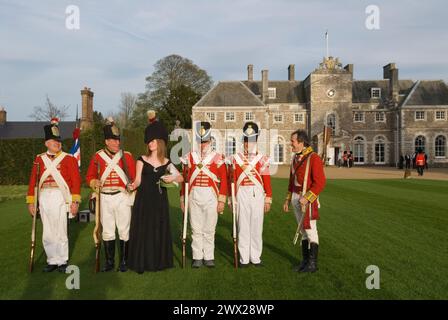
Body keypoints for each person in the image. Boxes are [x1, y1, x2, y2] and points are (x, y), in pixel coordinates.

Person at [127, 114, 183, 273]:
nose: (150, 144)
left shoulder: (167, 162)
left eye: (153, 141)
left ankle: (159, 262)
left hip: (159, 201)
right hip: (143, 200)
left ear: (160, 142)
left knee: (158, 230)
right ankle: (142, 262)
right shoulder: (141, 159)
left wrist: (172, 176)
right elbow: (137, 180)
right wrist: (132, 186)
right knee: (144, 230)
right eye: (149, 141)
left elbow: (180, 177)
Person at [26, 118, 81, 272]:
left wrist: (75, 201)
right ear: (46, 143)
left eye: (58, 141)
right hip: (44, 197)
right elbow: (33, 181)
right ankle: (52, 260)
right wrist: (31, 202)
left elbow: (76, 181)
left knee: (61, 230)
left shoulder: (69, 159)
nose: (57, 143)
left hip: (60, 196)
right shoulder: (39, 159)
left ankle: (62, 260)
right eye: (53, 141)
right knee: (48, 231)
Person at [85, 118, 136, 272]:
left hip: (122, 196)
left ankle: (124, 262)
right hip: (105, 197)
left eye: (118, 140)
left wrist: (132, 185)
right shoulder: (98, 156)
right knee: (107, 230)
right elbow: (89, 177)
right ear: (106, 141)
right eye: (113, 141)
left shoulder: (126, 156)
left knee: (124, 230)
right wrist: (94, 182)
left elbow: (133, 177)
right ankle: (109, 262)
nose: (117, 143)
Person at [180, 121, 228, 268]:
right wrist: (183, 198)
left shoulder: (218, 157)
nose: (202, 145)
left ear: (210, 141)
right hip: (194, 195)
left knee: (209, 228)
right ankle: (197, 257)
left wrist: (221, 201)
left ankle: (208, 256)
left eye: (205, 141)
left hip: (211, 195)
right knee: (196, 228)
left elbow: (224, 181)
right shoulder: (190, 157)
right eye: (200, 142)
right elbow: (184, 180)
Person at [228, 122, 272, 267]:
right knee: (243, 226)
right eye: (246, 140)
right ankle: (244, 258)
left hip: (257, 193)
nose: (248, 143)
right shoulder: (236, 158)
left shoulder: (262, 159)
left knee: (257, 226)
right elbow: (232, 180)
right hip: (241, 194)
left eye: (251, 140)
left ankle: (256, 257)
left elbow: (266, 180)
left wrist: (268, 199)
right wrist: (231, 199)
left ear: (256, 140)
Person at [283, 130, 326, 273]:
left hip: (308, 199)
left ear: (301, 142)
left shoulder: (313, 158)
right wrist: (287, 199)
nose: (291, 144)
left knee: (311, 230)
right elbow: (291, 181)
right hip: (296, 197)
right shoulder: (295, 158)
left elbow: (320, 183)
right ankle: (305, 261)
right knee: (302, 231)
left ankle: (313, 264)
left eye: (293, 142)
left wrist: (307, 197)